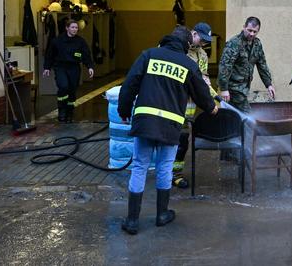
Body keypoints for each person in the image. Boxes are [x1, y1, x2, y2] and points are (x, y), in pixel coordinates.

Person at [118, 26, 218, 235]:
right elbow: (200, 92)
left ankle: (132, 221)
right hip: (170, 126)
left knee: (139, 167)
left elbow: (130, 84)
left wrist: (124, 110)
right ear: (185, 44)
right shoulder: (188, 64)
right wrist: (212, 107)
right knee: (164, 168)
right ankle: (162, 215)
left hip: (145, 123)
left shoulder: (149, 55)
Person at [172, 22, 217, 188]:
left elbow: (203, 79)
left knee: (183, 141)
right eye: (201, 39)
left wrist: (211, 93)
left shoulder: (203, 55)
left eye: (206, 41)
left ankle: (175, 174)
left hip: (187, 108)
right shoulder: (177, 48)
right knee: (167, 140)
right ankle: (164, 172)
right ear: (193, 33)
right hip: (172, 103)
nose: (202, 43)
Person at [218, 16, 275, 113]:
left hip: (244, 88)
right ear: (244, 27)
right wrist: (224, 89)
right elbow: (225, 66)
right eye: (249, 30)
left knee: (234, 117)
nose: (252, 34)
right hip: (233, 88)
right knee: (247, 116)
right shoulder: (234, 43)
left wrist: (268, 84)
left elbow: (262, 65)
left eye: (255, 31)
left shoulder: (257, 44)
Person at [42, 18, 94, 123]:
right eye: (72, 27)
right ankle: (62, 111)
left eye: (76, 28)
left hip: (74, 68)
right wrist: (47, 67)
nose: (75, 30)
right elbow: (50, 55)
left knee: (72, 90)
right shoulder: (57, 41)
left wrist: (90, 67)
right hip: (60, 67)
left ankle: (70, 111)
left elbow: (86, 55)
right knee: (63, 86)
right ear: (67, 28)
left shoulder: (80, 42)